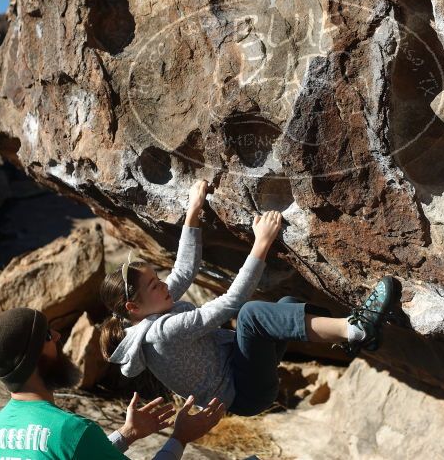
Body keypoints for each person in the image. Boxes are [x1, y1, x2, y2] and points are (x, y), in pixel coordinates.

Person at [99, 179, 400, 417]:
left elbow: (184, 270)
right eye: (153, 285)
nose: (163, 285)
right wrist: (262, 243)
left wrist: (193, 210)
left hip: (243, 372)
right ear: (133, 307)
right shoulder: (160, 334)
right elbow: (231, 302)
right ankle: (357, 328)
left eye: (157, 279)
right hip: (244, 393)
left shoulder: (151, 310)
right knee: (251, 316)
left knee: (287, 308)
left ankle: (348, 336)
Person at [0, 307, 224, 460]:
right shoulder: (69, 430)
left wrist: (126, 435)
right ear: (34, 359)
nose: (59, 336)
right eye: (48, 335)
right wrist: (180, 437)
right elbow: (70, 446)